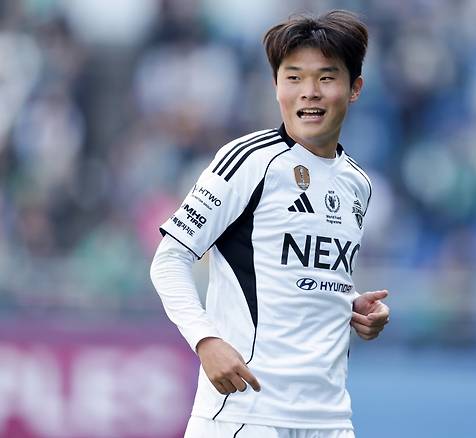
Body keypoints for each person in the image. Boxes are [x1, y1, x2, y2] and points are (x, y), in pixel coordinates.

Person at [150, 10, 390, 438]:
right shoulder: (248, 161)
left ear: (355, 88)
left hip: (330, 418)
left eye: (326, 78)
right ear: (276, 85)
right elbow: (168, 260)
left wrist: (351, 304)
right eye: (293, 77)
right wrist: (206, 340)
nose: (309, 92)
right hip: (247, 414)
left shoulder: (358, 183)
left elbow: (296, 274)